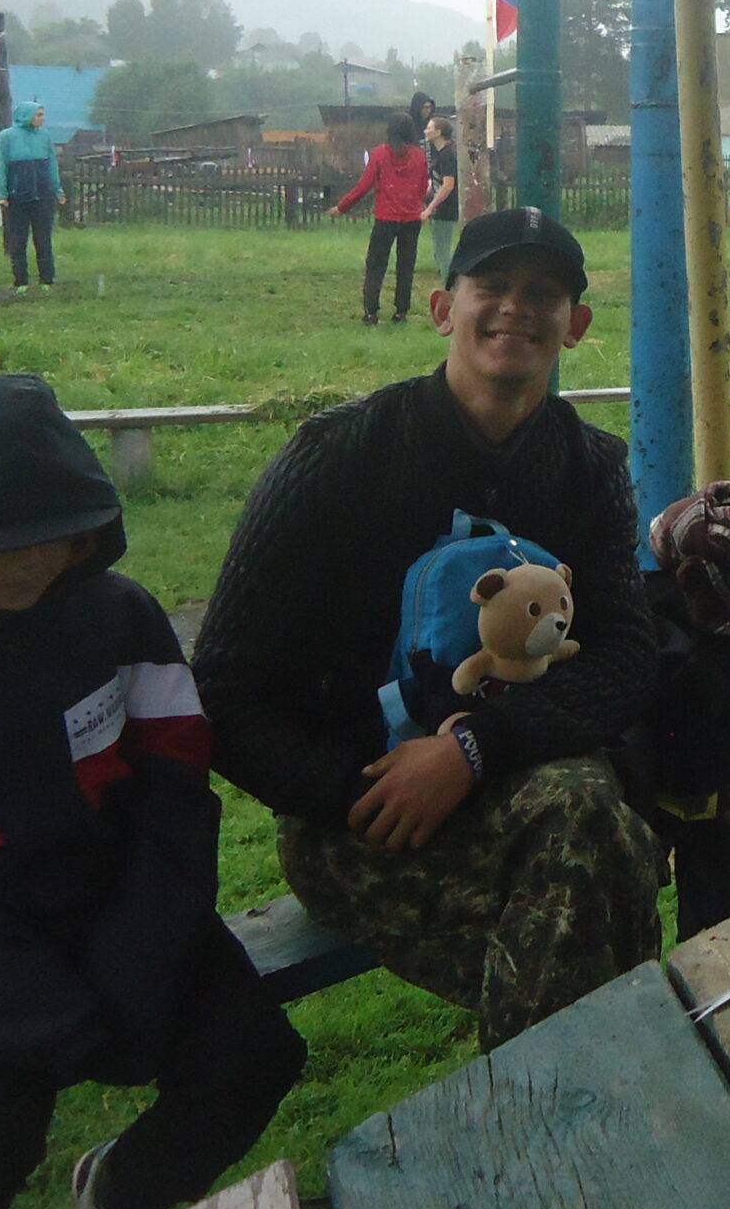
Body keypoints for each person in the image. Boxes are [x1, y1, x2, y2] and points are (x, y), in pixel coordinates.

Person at [0, 375, 305, 1209]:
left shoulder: (118, 620)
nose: (34, 560)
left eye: (57, 534)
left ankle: (121, 1194)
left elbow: (174, 798)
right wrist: (34, 1008)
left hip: (119, 905)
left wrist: (139, 959)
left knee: (252, 1056)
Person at [193, 208, 664, 1050]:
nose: (515, 309)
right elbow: (225, 688)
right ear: (445, 308)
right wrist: (356, 791)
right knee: (601, 858)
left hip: (523, 784)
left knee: (584, 823)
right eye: (493, 287)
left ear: (576, 325)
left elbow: (628, 654)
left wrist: (472, 749)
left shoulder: (589, 467)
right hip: (361, 814)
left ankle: (545, 1134)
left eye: (543, 294)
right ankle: (572, 1133)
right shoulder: (342, 458)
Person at [335, 113, 430, 325]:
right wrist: (414, 203)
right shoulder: (419, 156)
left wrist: (342, 207)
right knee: (406, 265)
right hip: (411, 218)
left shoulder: (379, 154)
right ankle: (401, 312)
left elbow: (364, 186)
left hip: (385, 218)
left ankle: (371, 312)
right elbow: (423, 187)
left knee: (376, 265)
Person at [0, 100, 65, 293]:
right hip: (18, 196)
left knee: (44, 239)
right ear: (27, 116)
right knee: (18, 240)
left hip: (43, 195)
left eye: (42, 114)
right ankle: (21, 281)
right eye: (38, 115)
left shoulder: (45, 137)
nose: (42, 119)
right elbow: (2, 166)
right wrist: (2, 194)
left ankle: (47, 280)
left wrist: (57, 189)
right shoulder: (7, 137)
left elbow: (52, 165)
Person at [424, 117, 461, 278]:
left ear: (438, 132)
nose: (426, 131)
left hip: (445, 208)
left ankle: (449, 285)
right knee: (440, 250)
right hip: (439, 207)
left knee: (443, 250)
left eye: (429, 128)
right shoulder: (440, 153)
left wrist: (430, 207)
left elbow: (448, 185)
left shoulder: (447, 155)